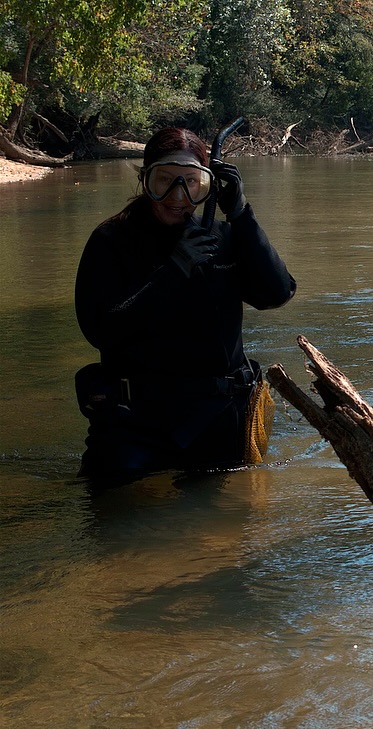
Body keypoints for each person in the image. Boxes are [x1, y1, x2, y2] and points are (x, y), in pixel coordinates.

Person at [74, 126, 296, 486]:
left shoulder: (222, 238)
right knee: (115, 529)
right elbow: (100, 330)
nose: (178, 196)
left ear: (209, 185)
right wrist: (173, 271)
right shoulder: (111, 240)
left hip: (218, 417)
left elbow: (277, 293)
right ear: (146, 180)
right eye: (165, 180)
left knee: (218, 533)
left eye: (192, 183)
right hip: (136, 422)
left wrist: (241, 213)